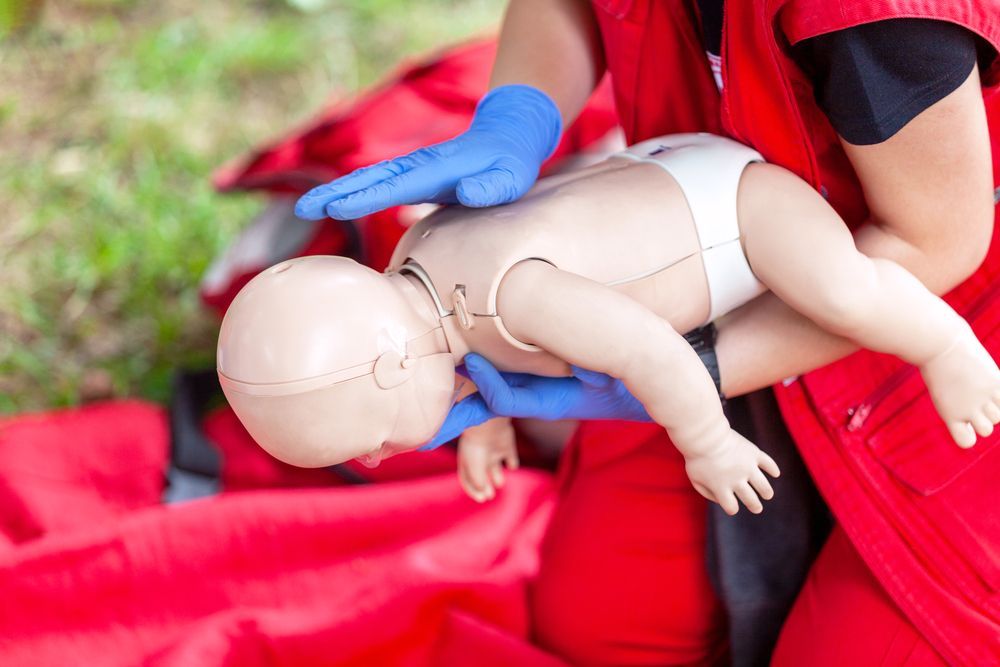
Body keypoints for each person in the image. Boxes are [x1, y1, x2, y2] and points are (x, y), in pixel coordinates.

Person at [296, 1, 1000, 664]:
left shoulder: (877, 23)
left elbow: (937, 238)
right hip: (698, 266)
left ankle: (943, 348)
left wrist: (697, 392)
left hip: (899, 303)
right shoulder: (432, 267)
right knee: (597, 626)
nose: (385, 454)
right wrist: (515, 116)